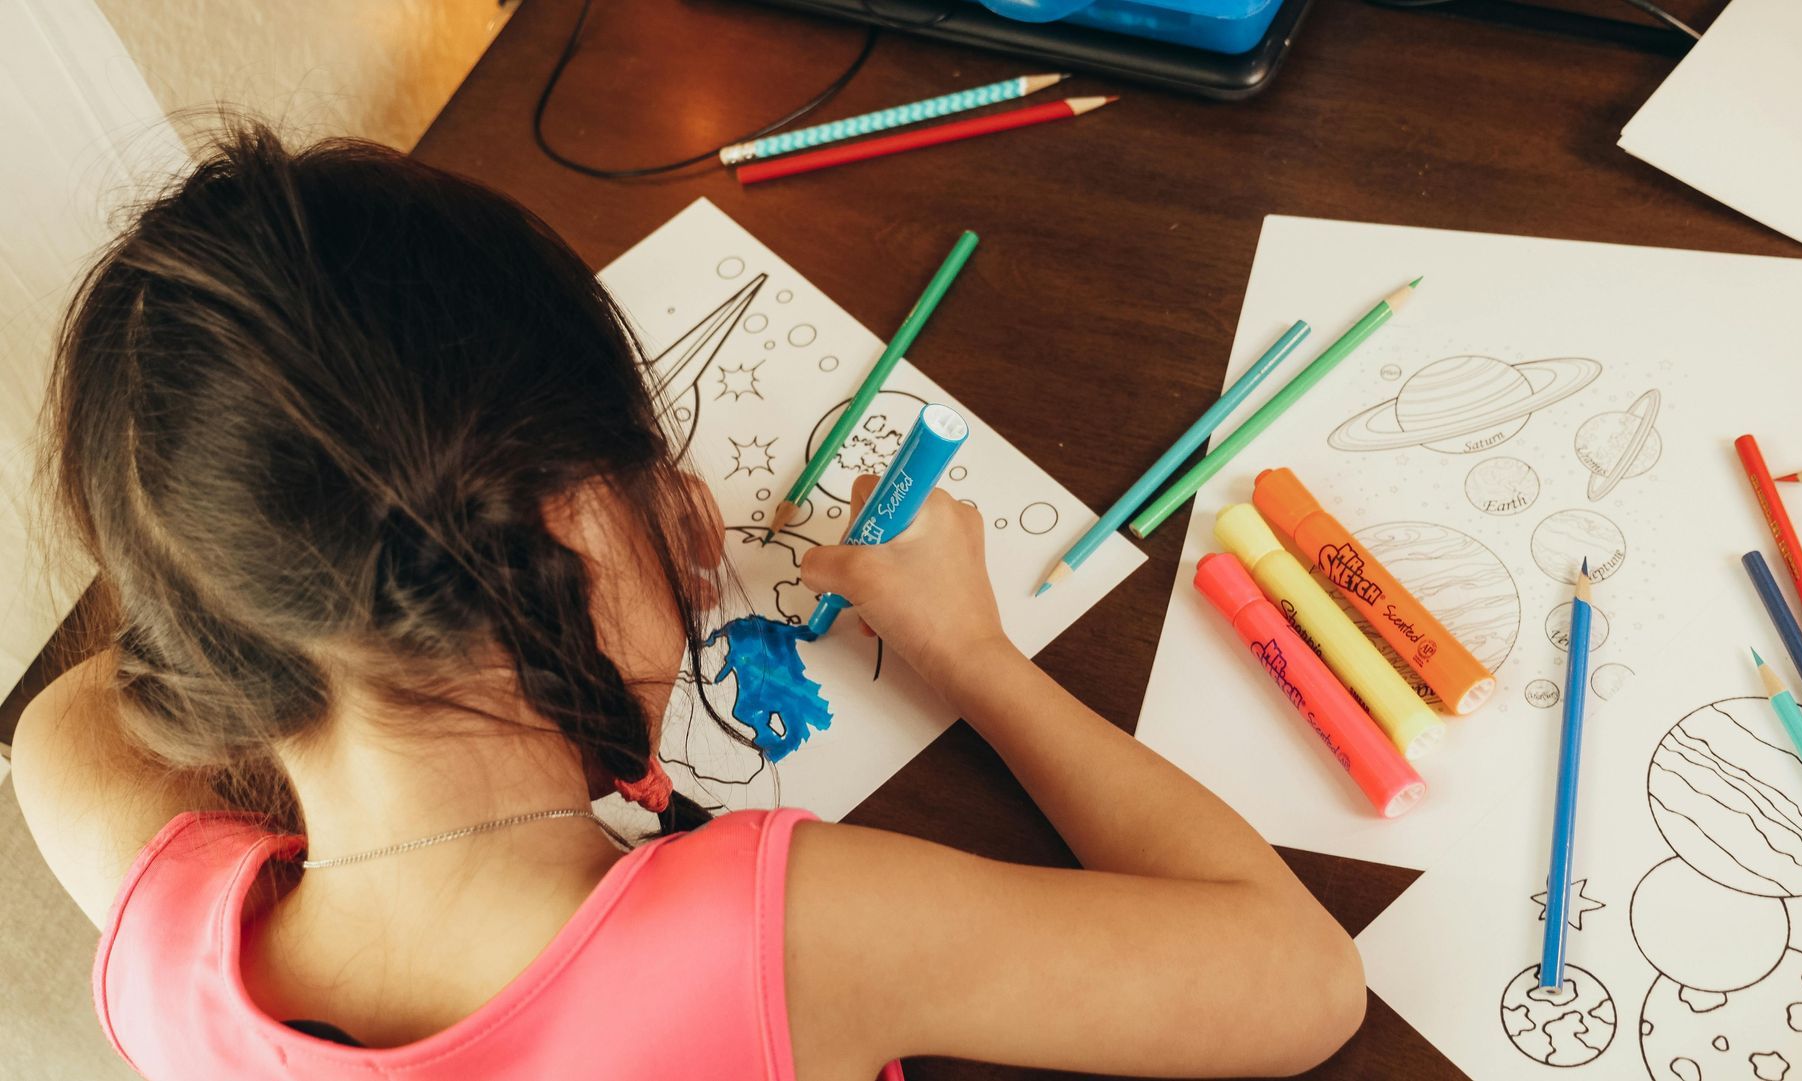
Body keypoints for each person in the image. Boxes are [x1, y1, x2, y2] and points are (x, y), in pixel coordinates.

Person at [10, 124, 1363, 1081]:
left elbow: (75, 714)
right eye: (647, 460)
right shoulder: (770, 936)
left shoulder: (162, 945)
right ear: (561, 527)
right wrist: (975, 655)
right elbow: (1305, 984)